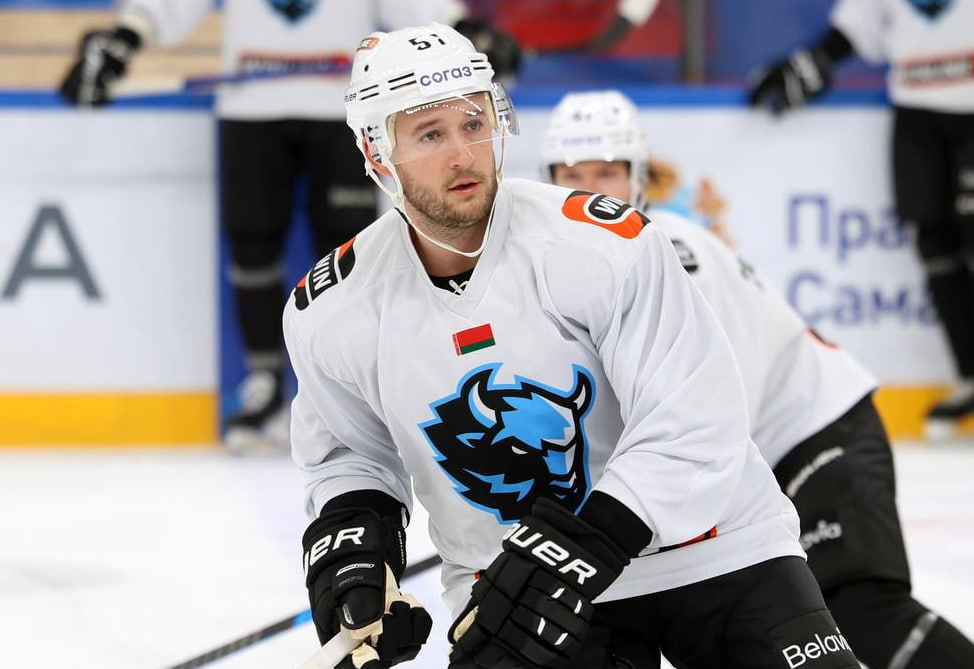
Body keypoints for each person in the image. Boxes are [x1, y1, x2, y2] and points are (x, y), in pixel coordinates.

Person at [285, 23, 860, 669]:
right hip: (513, 588)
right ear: (376, 151)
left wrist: (578, 545)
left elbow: (694, 418)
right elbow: (348, 454)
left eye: (474, 123)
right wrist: (355, 550)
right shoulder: (331, 309)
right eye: (430, 134)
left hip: (713, 547)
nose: (464, 154)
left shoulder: (604, 245)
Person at [541, 88, 974, 669]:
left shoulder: (671, 252)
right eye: (571, 175)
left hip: (814, 436)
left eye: (606, 174)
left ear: (638, 180)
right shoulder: (574, 267)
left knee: (861, 607)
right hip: (760, 460)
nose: (589, 191)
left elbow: (714, 414)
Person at [58, 0, 520, 454]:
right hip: (250, 107)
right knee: (252, 243)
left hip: (341, 107)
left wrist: (463, 31)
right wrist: (126, 35)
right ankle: (264, 382)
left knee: (351, 253)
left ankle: (357, 386)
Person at [747, 0, 974, 440]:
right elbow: (857, 25)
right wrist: (813, 61)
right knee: (935, 244)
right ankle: (970, 376)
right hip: (915, 110)